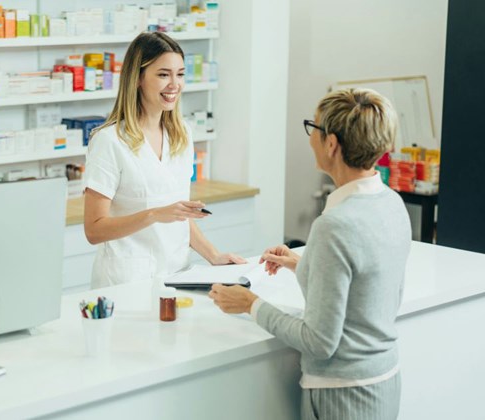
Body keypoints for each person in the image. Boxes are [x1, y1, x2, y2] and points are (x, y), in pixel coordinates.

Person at [210, 88, 411, 420]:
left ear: (331, 143)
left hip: (343, 394)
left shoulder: (334, 225)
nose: (309, 139)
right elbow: (367, 291)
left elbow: (319, 342)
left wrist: (250, 304)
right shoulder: (391, 203)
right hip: (383, 381)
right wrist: (302, 265)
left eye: (313, 128)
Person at [83, 32, 245, 289]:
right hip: (125, 283)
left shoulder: (182, 135)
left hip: (177, 275)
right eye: (163, 74)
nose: (174, 84)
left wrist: (214, 256)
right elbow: (94, 230)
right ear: (137, 78)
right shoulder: (109, 141)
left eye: (180, 74)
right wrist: (155, 214)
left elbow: (179, 215)